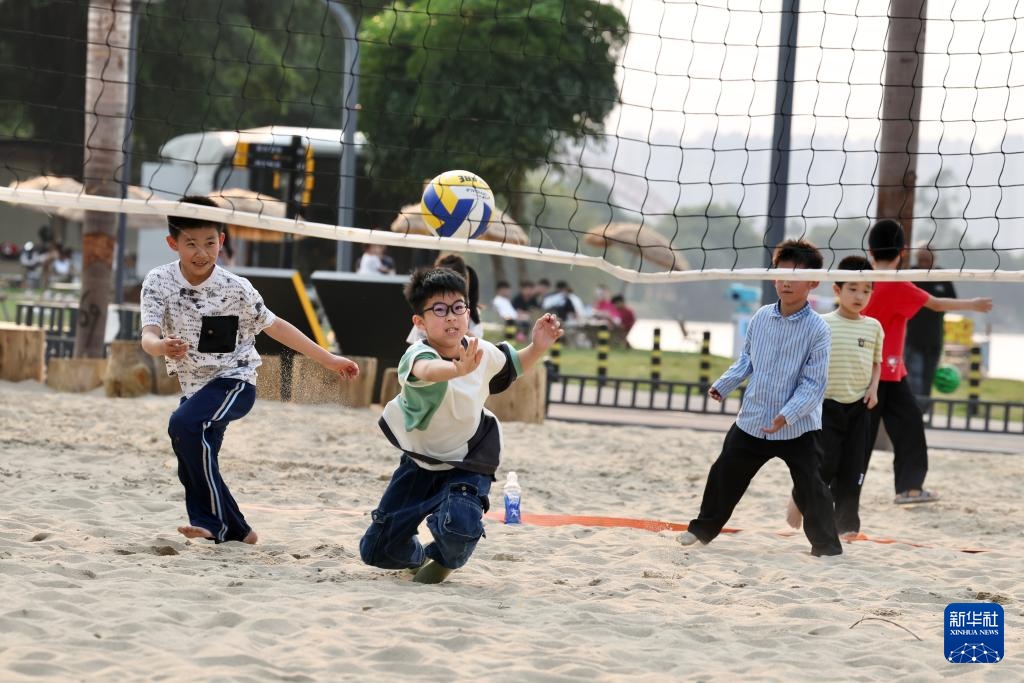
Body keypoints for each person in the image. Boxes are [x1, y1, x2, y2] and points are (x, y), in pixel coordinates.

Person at [140, 196, 360, 544]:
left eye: (210, 243)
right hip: (194, 388)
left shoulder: (236, 288)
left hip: (235, 382)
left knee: (182, 423)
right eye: (191, 244)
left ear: (222, 241)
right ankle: (241, 531)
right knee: (191, 449)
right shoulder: (158, 281)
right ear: (173, 243)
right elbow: (148, 335)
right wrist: (161, 346)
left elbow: (276, 326)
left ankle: (210, 523)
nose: (202, 252)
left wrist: (329, 359)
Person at [359, 267, 564, 583]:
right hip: (420, 462)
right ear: (420, 322)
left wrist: (538, 346)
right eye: (439, 310)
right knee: (375, 551)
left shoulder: (480, 350)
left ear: (469, 312)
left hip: (469, 459)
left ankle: (445, 557)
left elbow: (512, 364)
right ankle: (419, 555)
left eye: (458, 307)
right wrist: (456, 369)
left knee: (459, 525)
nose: (451, 317)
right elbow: (428, 370)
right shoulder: (417, 354)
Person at [677, 238, 842, 557]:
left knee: (811, 487)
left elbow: (813, 384)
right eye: (780, 275)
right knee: (724, 473)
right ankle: (701, 531)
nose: (785, 283)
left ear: (813, 282)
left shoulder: (818, 329)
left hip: (798, 427)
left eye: (794, 277)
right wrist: (724, 384)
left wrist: (788, 414)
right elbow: (747, 360)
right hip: (754, 419)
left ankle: (826, 546)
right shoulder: (762, 317)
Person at [860, 219, 993, 505]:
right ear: (902, 252)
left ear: (870, 250)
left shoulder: (857, 282)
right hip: (882, 371)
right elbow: (936, 303)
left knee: (891, 429)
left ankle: (907, 489)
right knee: (889, 433)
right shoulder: (897, 284)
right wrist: (973, 305)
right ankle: (903, 489)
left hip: (881, 372)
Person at [785, 255, 882, 538]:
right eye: (853, 289)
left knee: (853, 470)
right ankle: (798, 497)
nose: (860, 296)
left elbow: (876, 363)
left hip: (859, 407)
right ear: (837, 290)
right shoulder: (821, 323)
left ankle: (847, 525)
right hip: (826, 406)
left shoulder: (873, 327)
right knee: (825, 465)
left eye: (866, 291)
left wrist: (874, 388)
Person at [904, 244, 956, 400]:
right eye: (921, 258)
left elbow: (952, 301)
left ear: (934, 259)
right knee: (915, 379)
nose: (924, 261)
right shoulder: (910, 273)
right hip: (913, 339)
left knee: (928, 380)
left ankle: (922, 414)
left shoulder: (942, 276)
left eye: (927, 259)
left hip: (935, 339)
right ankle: (914, 413)